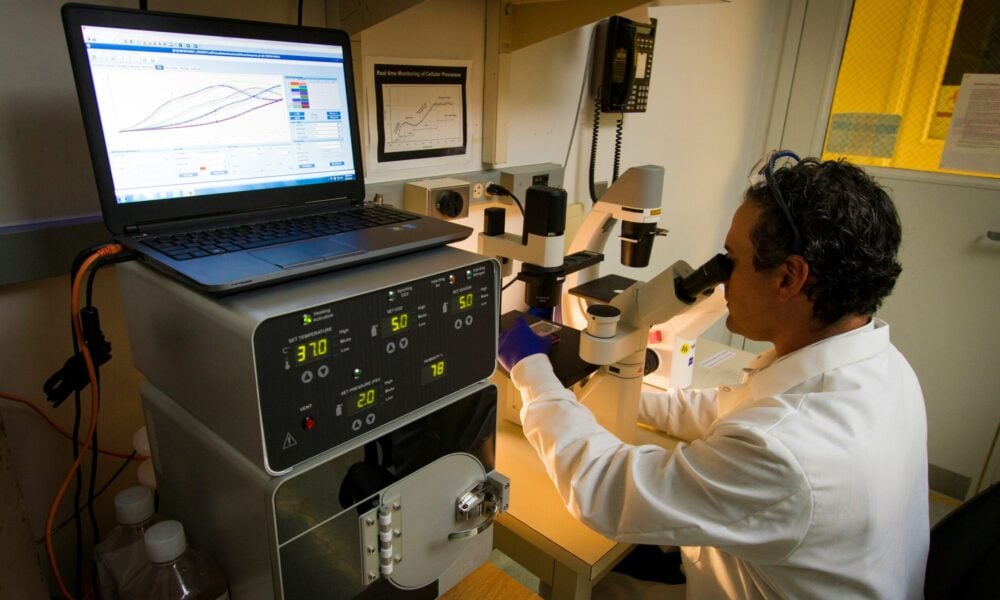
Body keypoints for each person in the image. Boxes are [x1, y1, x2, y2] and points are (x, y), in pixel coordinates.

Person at [498, 153, 929, 599]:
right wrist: (615, 395)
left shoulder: (786, 451)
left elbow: (604, 489)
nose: (721, 280)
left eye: (731, 260)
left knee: (583, 577)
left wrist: (533, 372)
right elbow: (735, 409)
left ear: (789, 278)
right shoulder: (881, 366)